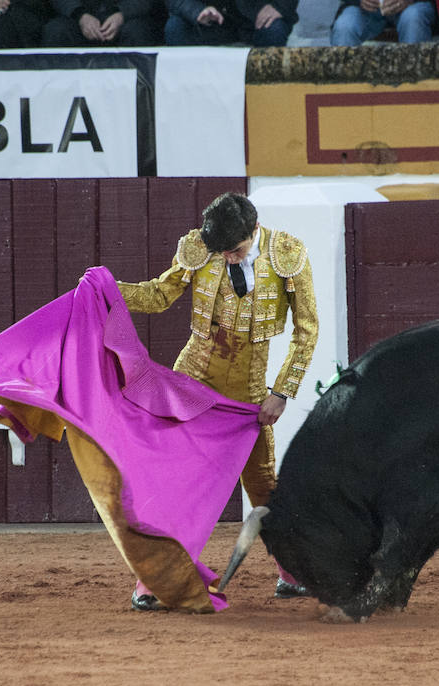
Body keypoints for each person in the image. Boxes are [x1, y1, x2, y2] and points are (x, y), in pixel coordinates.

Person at [116, 192, 318, 610]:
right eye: (221, 252)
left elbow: (306, 330)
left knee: (262, 482)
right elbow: (158, 296)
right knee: (178, 477)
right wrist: (108, 290)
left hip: (248, 393)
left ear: (253, 232)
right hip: (193, 383)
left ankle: (292, 572)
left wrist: (281, 392)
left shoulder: (288, 254)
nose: (227, 258)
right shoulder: (201, 249)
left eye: (235, 250)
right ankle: (152, 579)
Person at [164, 0, 295, 47]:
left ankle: (268, 97)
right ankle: (191, 93)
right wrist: (197, 11)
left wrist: (279, 6)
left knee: (274, 29)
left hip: (254, 20)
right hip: (211, 22)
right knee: (176, 28)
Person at [39, 0, 160, 47]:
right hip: (78, 18)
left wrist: (122, 14)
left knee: (137, 32)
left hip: (126, 18)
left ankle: (140, 98)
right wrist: (80, 15)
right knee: (56, 31)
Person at [330, 0, 436, 46]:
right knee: (344, 27)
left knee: (413, 19)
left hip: (411, 6)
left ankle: (415, 89)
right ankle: (347, 90)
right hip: (365, 9)